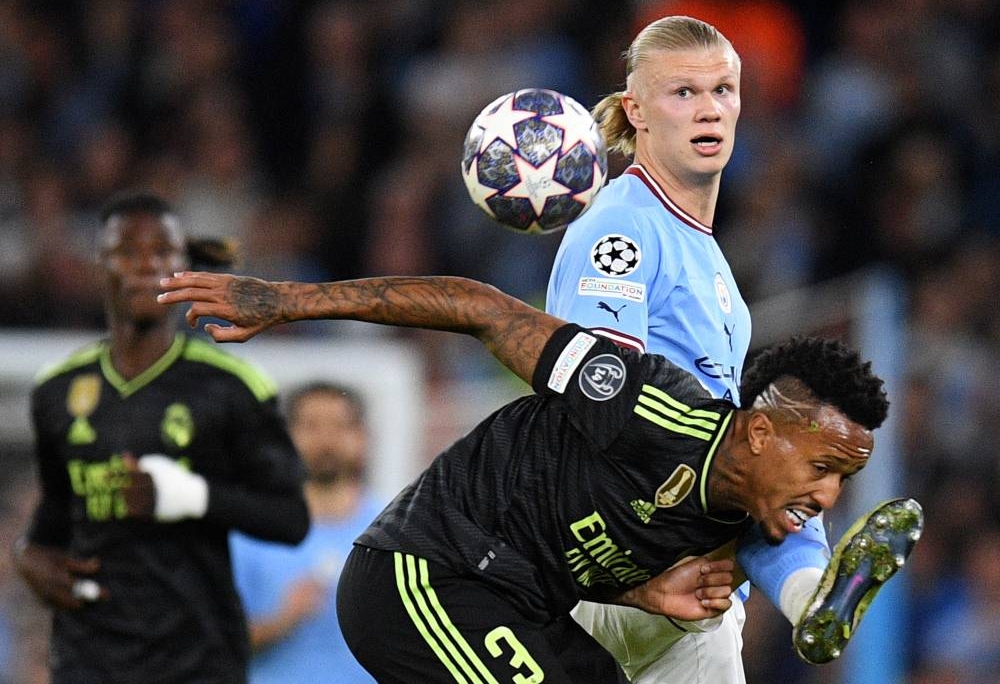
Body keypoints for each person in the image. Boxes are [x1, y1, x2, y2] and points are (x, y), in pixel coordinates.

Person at [155, 270, 919, 684]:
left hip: (516, 602)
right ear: (758, 431)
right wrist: (289, 302)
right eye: (822, 467)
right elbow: (480, 308)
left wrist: (639, 592)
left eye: (843, 479)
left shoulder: (738, 517)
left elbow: (562, 536)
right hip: (422, 576)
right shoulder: (650, 406)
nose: (828, 495)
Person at [543, 15, 852, 680]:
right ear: (636, 111)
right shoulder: (623, 227)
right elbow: (598, 398)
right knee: (771, 463)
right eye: (683, 92)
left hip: (686, 573)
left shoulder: (703, 251)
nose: (708, 109)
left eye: (723, 90)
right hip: (635, 562)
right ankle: (810, 593)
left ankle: (811, 595)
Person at [13, 193, 310, 684]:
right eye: (127, 251)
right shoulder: (57, 390)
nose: (146, 264)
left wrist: (186, 495)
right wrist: (28, 555)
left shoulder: (231, 387)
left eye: (162, 251)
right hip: (89, 655)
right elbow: (58, 511)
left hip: (198, 658)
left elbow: (291, 518)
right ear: (100, 265)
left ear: (182, 267)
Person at [230, 382, 383, 683]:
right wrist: (281, 621)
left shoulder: (394, 531)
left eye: (340, 426)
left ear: (362, 437)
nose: (326, 440)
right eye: (311, 426)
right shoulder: (253, 530)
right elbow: (215, 642)